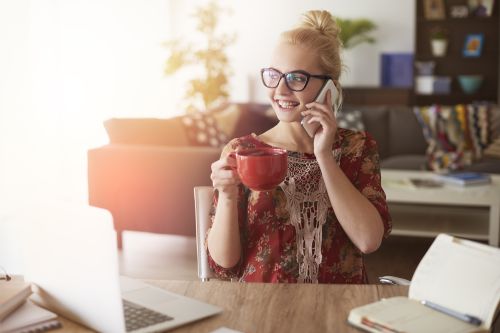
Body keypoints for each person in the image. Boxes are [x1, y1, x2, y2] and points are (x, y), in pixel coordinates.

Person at [207, 10, 391, 284]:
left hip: (338, 310)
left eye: (296, 78)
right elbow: (224, 263)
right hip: (262, 310)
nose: (280, 90)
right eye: (274, 75)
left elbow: (368, 240)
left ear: (329, 87)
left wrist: (324, 156)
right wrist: (227, 194)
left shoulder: (356, 148)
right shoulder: (242, 151)